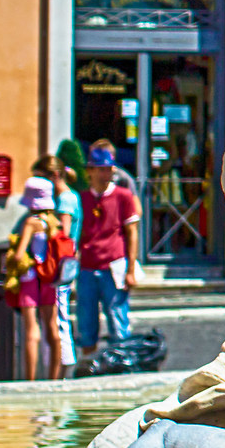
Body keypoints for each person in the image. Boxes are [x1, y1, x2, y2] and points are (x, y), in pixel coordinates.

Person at [4, 177, 76, 381]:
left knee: (32, 330)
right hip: (49, 280)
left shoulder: (31, 222)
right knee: (52, 328)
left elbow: (18, 255)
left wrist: (14, 257)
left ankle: (31, 380)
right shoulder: (54, 223)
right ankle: (53, 380)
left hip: (30, 279)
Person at [73, 141, 140, 357]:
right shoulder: (81, 199)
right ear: (90, 171)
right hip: (86, 268)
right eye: (100, 169)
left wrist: (130, 270)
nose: (105, 174)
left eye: (108, 169)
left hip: (114, 266)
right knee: (86, 323)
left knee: (118, 321)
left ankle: (121, 363)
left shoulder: (123, 196)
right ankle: (88, 364)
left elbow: (132, 232)